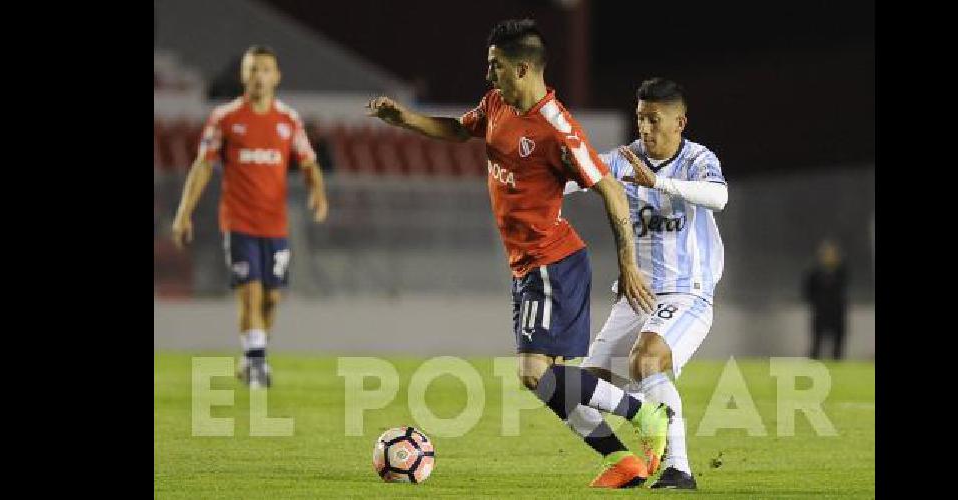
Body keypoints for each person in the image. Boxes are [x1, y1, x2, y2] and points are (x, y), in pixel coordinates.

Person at [367, 19, 669, 488]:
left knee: (533, 374)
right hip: (529, 266)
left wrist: (628, 261)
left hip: (553, 262)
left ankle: (646, 413)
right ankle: (623, 461)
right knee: (545, 382)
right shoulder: (495, 105)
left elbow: (609, 188)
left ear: (524, 69)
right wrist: (405, 120)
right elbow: (458, 129)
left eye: (496, 67)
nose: (489, 76)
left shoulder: (557, 129)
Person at [564, 77, 728, 489]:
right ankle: (626, 463)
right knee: (574, 395)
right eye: (640, 118)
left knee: (647, 361)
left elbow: (718, 197)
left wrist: (658, 184)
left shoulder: (697, 159)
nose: (646, 128)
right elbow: (572, 178)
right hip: (635, 298)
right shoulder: (623, 160)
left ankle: (679, 469)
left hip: (687, 292)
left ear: (680, 122)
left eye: (655, 120)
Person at [172, 45, 329, 388]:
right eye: (252, 69)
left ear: (277, 77)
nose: (259, 76)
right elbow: (203, 166)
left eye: (265, 69)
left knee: (272, 298)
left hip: (276, 225)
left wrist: (317, 192)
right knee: (251, 293)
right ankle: (257, 366)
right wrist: (184, 212)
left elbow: (309, 162)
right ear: (243, 76)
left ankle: (252, 354)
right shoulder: (225, 119)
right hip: (238, 221)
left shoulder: (288, 120)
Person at [803, 240, 848, 360]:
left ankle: (837, 367)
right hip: (821, 312)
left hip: (837, 312)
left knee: (837, 344)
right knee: (817, 343)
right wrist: (816, 302)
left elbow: (843, 286)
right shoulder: (814, 273)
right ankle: (813, 367)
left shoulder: (840, 272)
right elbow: (808, 291)